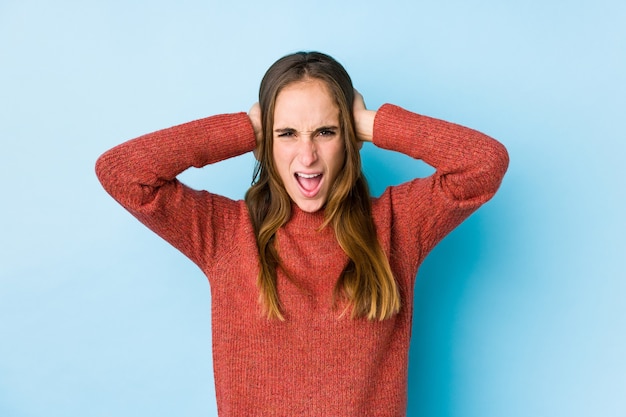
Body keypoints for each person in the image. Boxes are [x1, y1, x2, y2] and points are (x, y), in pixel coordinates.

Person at [96, 51, 509, 417]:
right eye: (287, 133)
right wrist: (242, 129)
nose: (307, 155)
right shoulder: (222, 234)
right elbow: (121, 172)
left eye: (326, 132)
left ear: (350, 140)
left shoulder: (398, 224)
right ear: (264, 142)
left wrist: (371, 122)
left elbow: (484, 164)